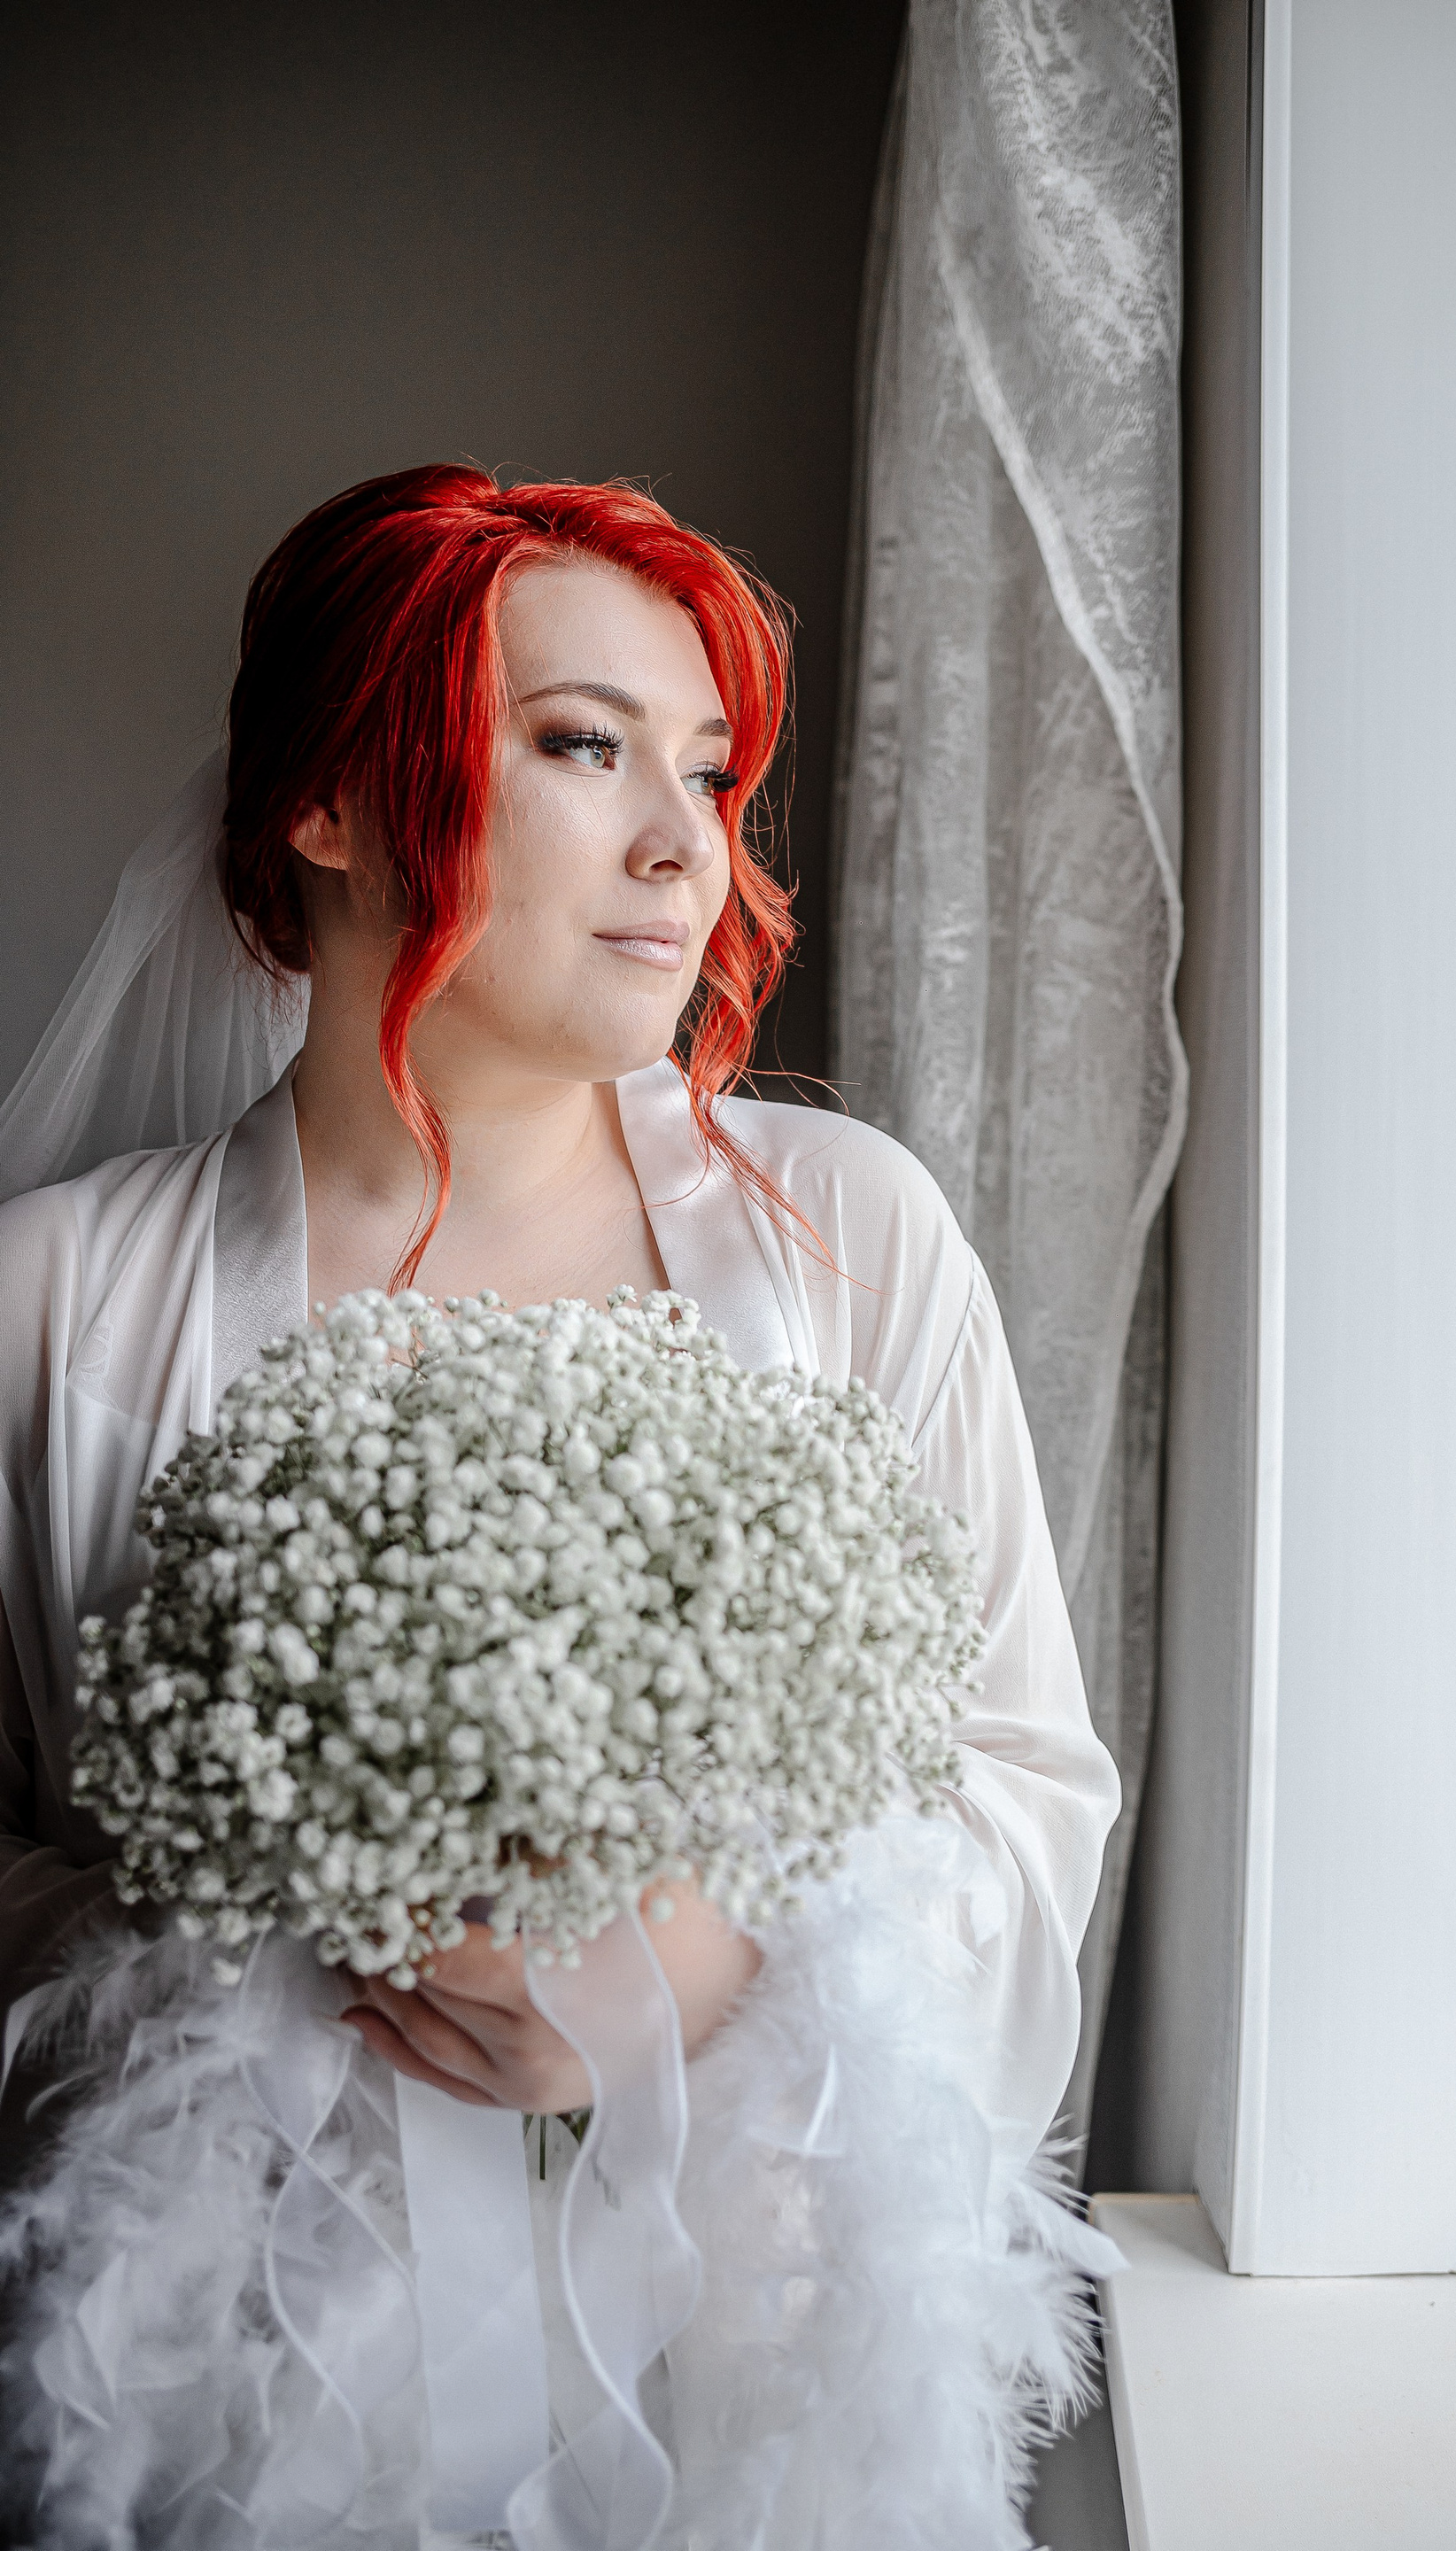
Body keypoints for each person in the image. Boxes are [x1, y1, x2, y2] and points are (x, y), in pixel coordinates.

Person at [0, 466, 1119, 2544]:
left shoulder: (856, 1244)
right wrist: (277, 1976)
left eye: (709, 770)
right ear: (328, 803)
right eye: (588, 747)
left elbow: (1029, 1791)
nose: (686, 843)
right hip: (235, 2422)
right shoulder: (49, 1309)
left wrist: (704, 1966)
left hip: (751, 2410)